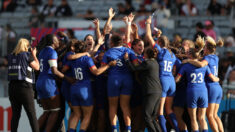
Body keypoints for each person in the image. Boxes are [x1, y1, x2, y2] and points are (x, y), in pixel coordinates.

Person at [62, 41, 116, 132]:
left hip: (74, 88)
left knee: (76, 114)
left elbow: (63, 69)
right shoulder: (87, 59)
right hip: (84, 89)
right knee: (87, 115)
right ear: (84, 49)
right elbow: (96, 72)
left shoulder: (72, 60)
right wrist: (108, 65)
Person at [175, 37, 220, 132]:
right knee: (203, 118)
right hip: (204, 91)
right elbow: (212, 77)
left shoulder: (186, 65)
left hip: (192, 91)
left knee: (194, 119)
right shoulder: (212, 59)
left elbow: (177, 79)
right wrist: (218, 78)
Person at [145, 16, 179, 132]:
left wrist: (148, 23)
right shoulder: (172, 54)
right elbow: (180, 65)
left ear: (159, 43)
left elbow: (149, 37)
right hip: (172, 82)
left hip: (162, 81)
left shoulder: (160, 50)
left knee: (160, 112)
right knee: (169, 110)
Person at [101, 35, 138, 132]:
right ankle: (128, 129)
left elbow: (102, 68)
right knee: (125, 106)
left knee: (113, 106)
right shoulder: (129, 51)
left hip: (114, 79)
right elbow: (136, 65)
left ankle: (114, 129)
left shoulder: (108, 53)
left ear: (112, 43)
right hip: (127, 79)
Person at [36, 34, 69, 132]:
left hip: (40, 82)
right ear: (53, 42)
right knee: (55, 111)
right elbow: (54, 70)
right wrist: (66, 78)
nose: (58, 42)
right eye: (57, 40)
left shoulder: (42, 51)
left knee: (46, 111)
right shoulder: (52, 52)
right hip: (48, 82)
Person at [124, 48, 162, 132]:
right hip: (158, 91)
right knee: (153, 117)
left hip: (150, 92)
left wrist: (126, 60)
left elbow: (134, 68)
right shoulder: (155, 63)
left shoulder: (147, 63)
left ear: (147, 54)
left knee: (147, 116)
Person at [7, 38, 40, 132]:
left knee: (15, 115)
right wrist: (34, 55)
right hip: (25, 88)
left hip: (12, 88)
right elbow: (37, 67)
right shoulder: (27, 55)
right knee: (32, 115)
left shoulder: (11, 56)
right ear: (26, 46)